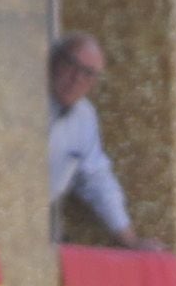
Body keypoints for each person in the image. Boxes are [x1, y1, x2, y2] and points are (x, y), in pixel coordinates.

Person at [45, 30, 133, 245]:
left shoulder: (85, 116)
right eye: (71, 65)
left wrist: (130, 240)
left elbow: (96, 178)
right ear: (54, 62)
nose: (76, 79)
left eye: (88, 73)